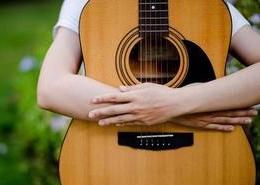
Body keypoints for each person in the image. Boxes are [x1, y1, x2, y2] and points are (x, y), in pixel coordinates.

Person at [37, 0, 260, 132]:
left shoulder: (208, 6)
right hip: (111, 156)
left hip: (206, 156)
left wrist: (177, 103)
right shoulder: (86, 3)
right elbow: (50, 88)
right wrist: (164, 111)